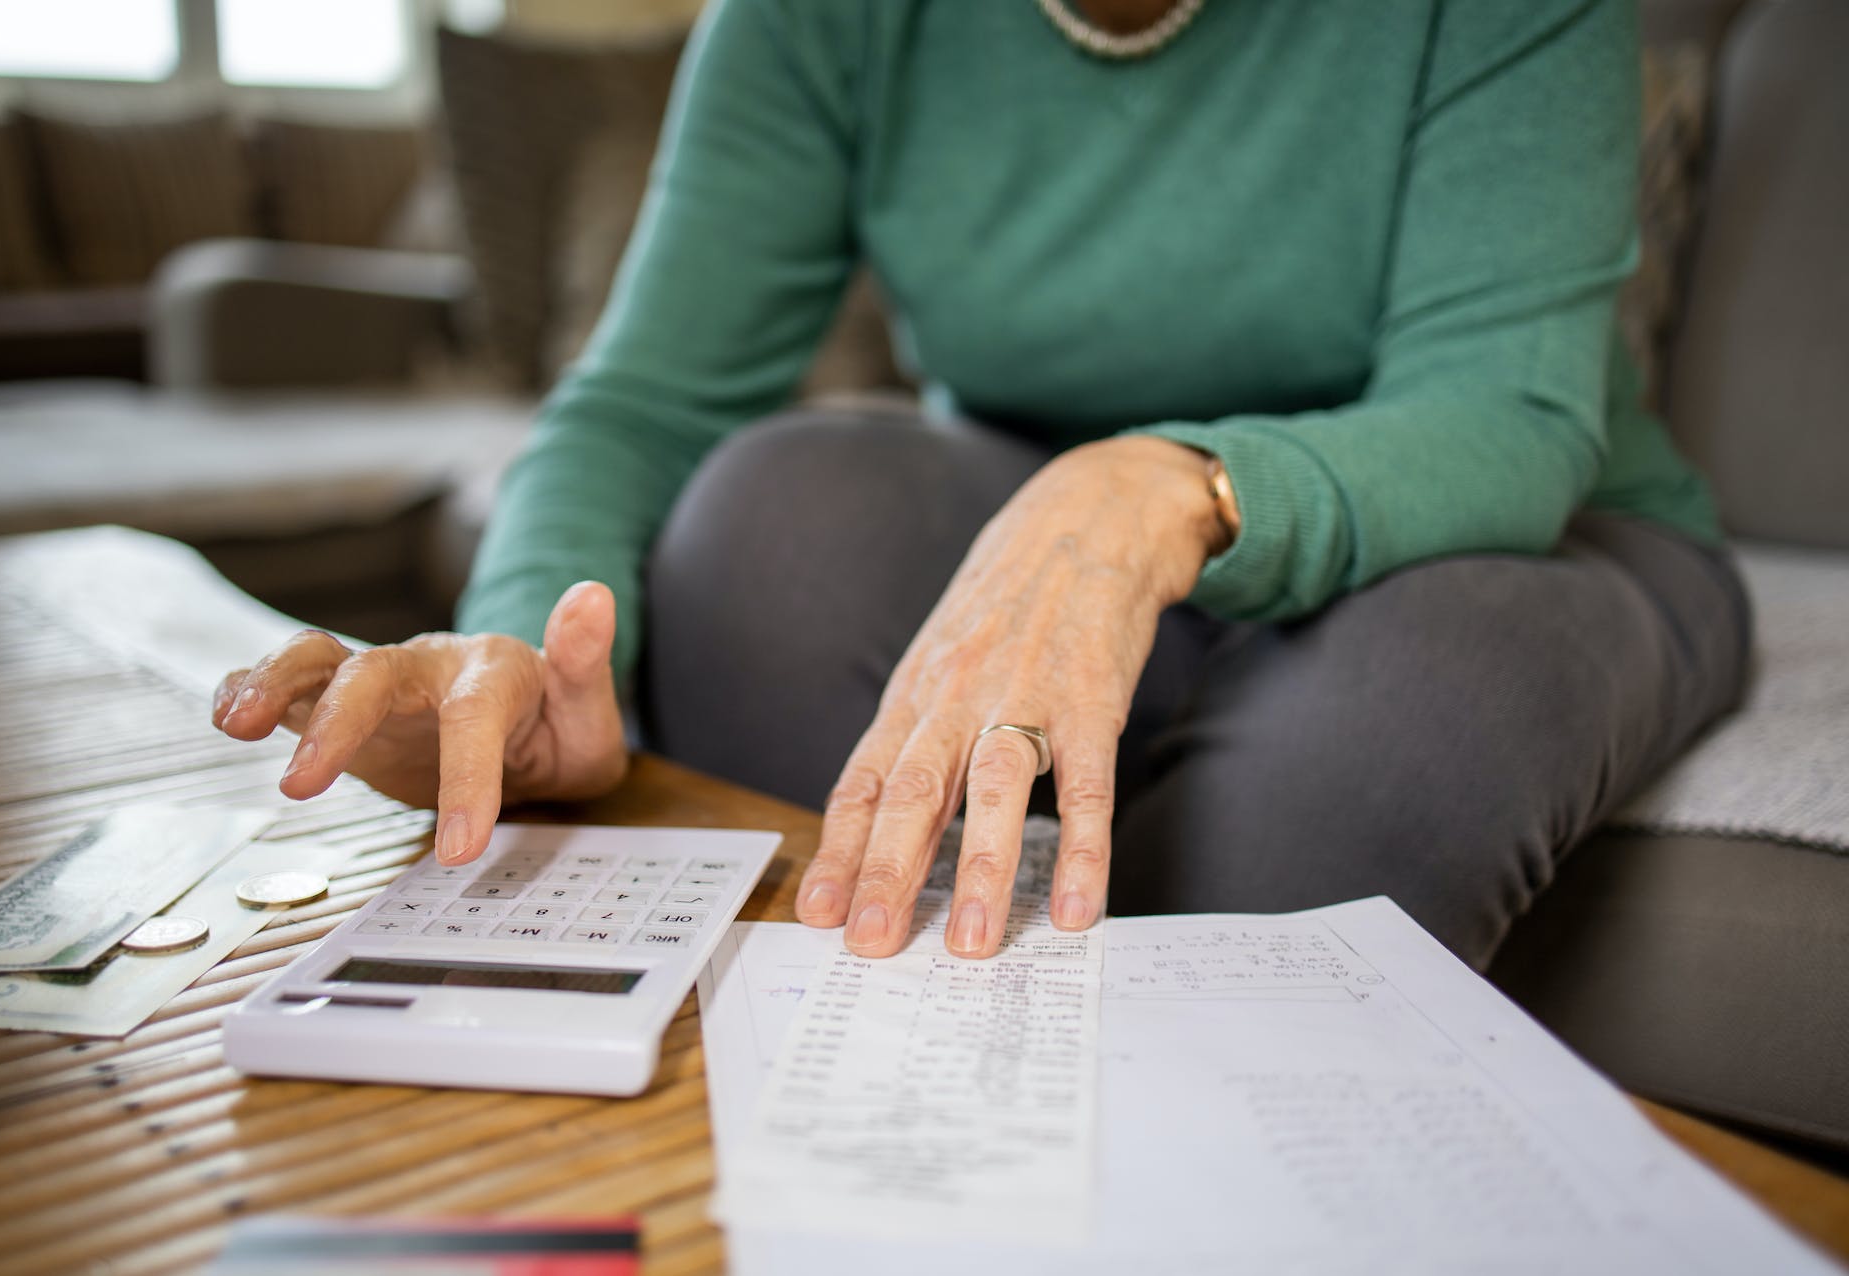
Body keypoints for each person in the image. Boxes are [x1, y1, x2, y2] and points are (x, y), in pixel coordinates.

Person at [213, 0, 1749, 970]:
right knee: (769, 514)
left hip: (1486, 531)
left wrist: (1155, 492)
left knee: (1390, 755)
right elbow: (646, 397)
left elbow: (1505, 416)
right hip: (1031, 495)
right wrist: (524, 650)